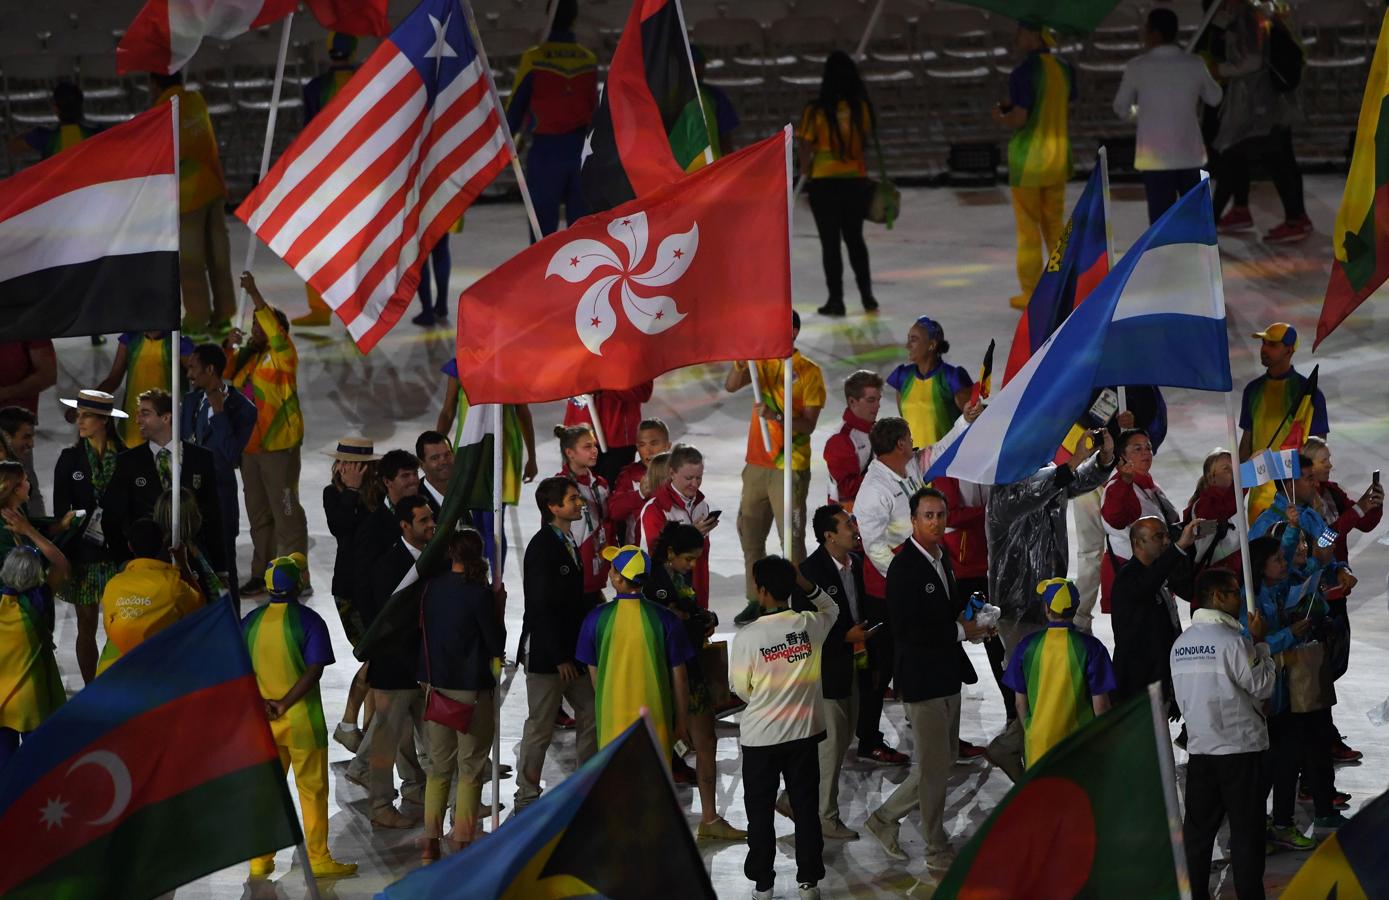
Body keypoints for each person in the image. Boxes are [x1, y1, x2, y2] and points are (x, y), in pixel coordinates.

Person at [866, 488, 989, 871]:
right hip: (923, 680)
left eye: (940, 515)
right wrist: (960, 631)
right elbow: (906, 630)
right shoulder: (905, 568)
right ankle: (936, 846)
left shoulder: (941, 557)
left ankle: (884, 818)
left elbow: (945, 611)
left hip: (946, 674)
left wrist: (973, 619)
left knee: (942, 760)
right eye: (928, 516)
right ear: (914, 520)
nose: (936, 522)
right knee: (934, 768)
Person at [984, 428, 1113, 781]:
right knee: (1036, 691)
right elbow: (1039, 490)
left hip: (1051, 604)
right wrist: (1074, 459)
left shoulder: (1051, 479)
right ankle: (1020, 752)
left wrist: (1104, 458)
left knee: (1052, 688)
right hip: (1018, 611)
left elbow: (1077, 480)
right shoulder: (1004, 495)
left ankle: (1024, 753)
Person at [242, 554, 357, 879]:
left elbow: (239, 669)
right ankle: (318, 859)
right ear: (298, 584)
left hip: (263, 723)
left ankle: (260, 859)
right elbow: (314, 670)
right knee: (312, 790)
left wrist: (265, 703)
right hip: (303, 721)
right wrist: (284, 703)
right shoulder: (309, 621)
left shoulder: (250, 622)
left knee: (268, 792)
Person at [731, 555, 839, 900]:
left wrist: (766, 698)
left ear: (761, 591)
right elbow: (832, 607)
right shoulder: (810, 624)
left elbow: (740, 688)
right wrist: (805, 583)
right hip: (804, 735)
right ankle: (809, 882)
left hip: (761, 738)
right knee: (805, 809)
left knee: (759, 814)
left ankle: (763, 885)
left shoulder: (748, 637)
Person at [1171, 567, 1276, 900]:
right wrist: (1260, 645)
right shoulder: (1234, 643)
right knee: (1246, 834)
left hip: (1201, 752)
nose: (1240, 599)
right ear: (1217, 597)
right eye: (1233, 592)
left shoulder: (1181, 644)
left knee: (1197, 835)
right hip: (1240, 751)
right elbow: (1263, 685)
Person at [645, 522, 744, 840]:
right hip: (664, 674)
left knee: (706, 742)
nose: (692, 565)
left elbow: (687, 613)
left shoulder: (678, 576)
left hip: (692, 669)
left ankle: (710, 817)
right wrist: (688, 620)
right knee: (660, 747)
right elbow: (664, 624)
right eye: (688, 559)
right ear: (671, 552)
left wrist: (704, 618)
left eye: (696, 560)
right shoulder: (651, 580)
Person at [726, 312, 825, 625]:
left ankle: (797, 600)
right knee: (750, 536)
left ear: (793, 331)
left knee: (791, 540)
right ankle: (755, 600)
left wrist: (776, 416)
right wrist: (741, 361)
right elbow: (730, 386)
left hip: (790, 467)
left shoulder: (809, 371)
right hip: (756, 464)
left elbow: (808, 425)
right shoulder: (760, 363)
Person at [1248, 526, 1343, 841]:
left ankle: (1282, 823)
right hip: (1266, 696)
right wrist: (1290, 633)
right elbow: (1254, 646)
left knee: (1288, 759)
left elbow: (1301, 555)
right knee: (1268, 766)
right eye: (1277, 559)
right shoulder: (1252, 600)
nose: (1285, 562)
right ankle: (1254, 827)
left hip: (1285, 690)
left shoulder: (1279, 588)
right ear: (1261, 566)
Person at [417, 529, 505, 859]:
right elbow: (495, 644)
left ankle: (430, 841)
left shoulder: (431, 588)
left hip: (436, 689)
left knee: (438, 769)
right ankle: (463, 840)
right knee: (470, 770)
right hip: (471, 693)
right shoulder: (478, 595)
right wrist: (499, 609)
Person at [516, 477, 599, 810]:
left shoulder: (567, 541)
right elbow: (540, 607)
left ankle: (586, 784)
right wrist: (560, 656)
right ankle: (526, 796)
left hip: (571, 654)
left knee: (591, 711)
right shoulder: (542, 548)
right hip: (548, 657)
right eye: (573, 499)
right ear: (553, 507)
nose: (580, 504)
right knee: (540, 725)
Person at [1301, 435, 1382, 764]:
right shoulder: (1301, 504)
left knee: (1335, 664)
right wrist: (1359, 508)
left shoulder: (1331, 492)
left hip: (1338, 587)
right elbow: (1325, 537)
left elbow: (1362, 523)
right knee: (1322, 669)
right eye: (1324, 460)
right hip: (1316, 593)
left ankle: (1320, 732)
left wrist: (1374, 505)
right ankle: (1320, 736)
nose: (1330, 465)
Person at [227, 271, 308, 595]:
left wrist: (254, 292)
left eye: (261, 324)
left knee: (286, 516)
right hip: (250, 450)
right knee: (259, 517)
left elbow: (273, 329)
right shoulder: (249, 360)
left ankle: (296, 578)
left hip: (278, 448)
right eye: (254, 324)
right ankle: (262, 575)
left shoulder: (283, 357)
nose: (256, 328)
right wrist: (230, 348)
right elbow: (223, 380)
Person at [362, 495, 438, 828]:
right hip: (394, 670)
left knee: (433, 740)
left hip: (425, 668)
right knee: (386, 743)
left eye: (431, 517)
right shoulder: (388, 566)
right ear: (405, 526)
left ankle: (420, 791)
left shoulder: (435, 559)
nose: (432, 524)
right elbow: (388, 623)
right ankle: (380, 806)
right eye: (424, 520)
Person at [796, 504, 869, 839]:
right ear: (829, 536)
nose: (854, 528)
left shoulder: (856, 564)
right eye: (847, 524)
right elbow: (804, 626)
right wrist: (843, 637)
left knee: (844, 738)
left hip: (853, 663)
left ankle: (793, 798)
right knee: (832, 745)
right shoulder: (809, 573)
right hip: (824, 670)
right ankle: (825, 817)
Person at [577, 545, 692, 756]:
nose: (609, 572)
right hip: (656, 722)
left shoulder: (595, 619)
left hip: (612, 723)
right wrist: (682, 724)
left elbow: (595, 679)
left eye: (612, 568)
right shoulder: (666, 620)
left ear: (619, 579)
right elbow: (681, 678)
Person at [1209, 0, 1309, 243]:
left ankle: (1294, 219)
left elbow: (1253, 60)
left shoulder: (1248, 17)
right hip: (1265, 102)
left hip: (1260, 103)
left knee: (1264, 157)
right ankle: (1293, 217)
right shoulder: (1257, 15)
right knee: (1277, 157)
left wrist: (1220, 70)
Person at [1112, 7, 1224, 222]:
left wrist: (1139, 113)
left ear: (1154, 33)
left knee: (1161, 225)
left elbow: (1121, 108)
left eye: (1146, 30)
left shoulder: (1137, 67)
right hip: (1191, 155)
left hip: (1154, 160)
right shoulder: (1194, 63)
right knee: (1194, 223)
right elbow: (1215, 97)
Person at [993, 20, 1075, 309]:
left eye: (1021, 32)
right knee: (1055, 226)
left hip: (1028, 160)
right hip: (1058, 156)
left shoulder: (1023, 71)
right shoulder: (1065, 68)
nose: (1016, 37)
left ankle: (1031, 293)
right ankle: (1064, 287)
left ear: (1035, 37)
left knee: (1028, 229)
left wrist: (1001, 117)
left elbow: (1020, 118)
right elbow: (1062, 102)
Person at [103, 389, 224, 576]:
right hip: (147, 565)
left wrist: (221, 568)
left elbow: (214, 517)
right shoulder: (129, 462)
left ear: (166, 418)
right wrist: (123, 561)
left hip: (195, 564)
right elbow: (111, 518)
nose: (138, 420)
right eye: (138, 414)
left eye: (145, 414)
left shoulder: (201, 458)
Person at [151, 71, 235, 337]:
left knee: (191, 261)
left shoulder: (161, 111)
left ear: (154, 84)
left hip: (188, 195)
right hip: (213, 186)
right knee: (218, 254)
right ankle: (223, 316)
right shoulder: (196, 100)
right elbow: (206, 142)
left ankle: (197, 319)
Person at [52, 390, 128, 684]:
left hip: (118, 555)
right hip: (83, 554)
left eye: (86, 416)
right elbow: (61, 511)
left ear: (104, 420)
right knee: (86, 626)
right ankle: (91, 688)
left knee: (120, 626)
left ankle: (118, 684)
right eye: (78, 415)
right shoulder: (69, 459)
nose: (79, 421)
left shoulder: (126, 457)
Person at [1001, 578, 1115, 768]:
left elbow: (1019, 703)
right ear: (1076, 608)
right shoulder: (1092, 648)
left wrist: (1030, 730)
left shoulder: (1027, 646)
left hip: (1039, 743)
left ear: (1047, 608)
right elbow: (1101, 705)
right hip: (1079, 746)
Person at [797, 51, 877, 317]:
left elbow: (805, 145)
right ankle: (867, 296)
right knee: (855, 240)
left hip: (823, 183)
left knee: (830, 244)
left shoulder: (814, 111)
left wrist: (804, 172)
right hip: (854, 181)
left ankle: (836, 300)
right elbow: (864, 140)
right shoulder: (861, 109)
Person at [508, 0, 598, 236]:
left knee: (542, 235)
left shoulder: (533, 58)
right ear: (575, 19)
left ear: (548, 17)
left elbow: (515, 109)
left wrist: (507, 143)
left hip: (546, 154)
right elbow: (594, 109)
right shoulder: (588, 59)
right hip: (581, 152)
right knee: (581, 234)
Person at [295, 33, 362, 327]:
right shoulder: (369, 83)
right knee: (357, 246)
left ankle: (320, 309)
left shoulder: (315, 88)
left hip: (325, 178)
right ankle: (357, 311)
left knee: (317, 244)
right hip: (361, 177)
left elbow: (308, 136)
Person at [183, 342, 256, 602]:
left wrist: (218, 413)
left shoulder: (244, 409)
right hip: (189, 497)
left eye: (193, 368)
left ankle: (231, 622)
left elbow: (230, 454)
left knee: (225, 568)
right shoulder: (189, 402)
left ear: (210, 369)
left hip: (220, 499)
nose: (189, 374)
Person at [322, 437, 381, 752]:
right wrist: (353, 490)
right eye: (342, 462)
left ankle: (368, 729)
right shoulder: (333, 494)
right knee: (375, 656)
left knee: (378, 657)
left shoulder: (380, 493)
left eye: (353, 463)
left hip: (378, 587)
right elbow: (340, 526)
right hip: (349, 590)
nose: (345, 468)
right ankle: (349, 723)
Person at [0, 511, 69, 769]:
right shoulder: (39, 600)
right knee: (35, 767)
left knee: (5, 768)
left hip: (1, 702)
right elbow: (60, 563)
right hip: (33, 700)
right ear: (37, 573)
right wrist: (28, 530)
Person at [1239, 322, 1327, 521]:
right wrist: (1237, 487)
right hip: (1259, 497)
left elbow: (1318, 450)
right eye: (1263, 343)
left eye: (1272, 344)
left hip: (1296, 497)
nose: (1264, 349)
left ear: (1289, 350)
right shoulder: (1252, 390)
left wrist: (1315, 493)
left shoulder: (1309, 394)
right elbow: (1246, 443)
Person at [1111, 516, 1200, 714]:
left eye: (1167, 536)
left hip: (1160, 679)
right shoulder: (1128, 577)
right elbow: (1146, 585)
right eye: (1158, 537)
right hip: (1138, 686)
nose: (1166, 541)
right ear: (1137, 543)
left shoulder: (1158, 575)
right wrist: (1179, 547)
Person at [95, 518, 203, 676]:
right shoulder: (174, 585)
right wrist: (183, 564)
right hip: (160, 672)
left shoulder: (113, 584)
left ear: (130, 546)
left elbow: (109, 627)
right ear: (162, 544)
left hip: (113, 672)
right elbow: (200, 606)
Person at [1099, 428, 1180, 611]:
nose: (1146, 453)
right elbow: (1116, 519)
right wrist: (1125, 482)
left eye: (1148, 447)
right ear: (1122, 456)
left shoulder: (1150, 484)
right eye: (1137, 449)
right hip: (1129, 572)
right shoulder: (1117, 487)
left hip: (1153, 571)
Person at [638, 444, 718, 610]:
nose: (695, 484)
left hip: (697, 587)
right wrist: (692, 534)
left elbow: (702, 557)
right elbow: (657, 553)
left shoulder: (702, 505)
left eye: (699, 478)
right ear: (672, 473)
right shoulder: (656, 508)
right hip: (665, 595)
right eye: (689, 478)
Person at [94, 331, 195, 446]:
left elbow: (198, 379)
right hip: (132, 429)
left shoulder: (179, 344)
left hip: (168, 432)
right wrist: (89, 402)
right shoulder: (130, 340)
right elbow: (113, 379)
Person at [886, 317, 973, 449]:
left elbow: (974, 419)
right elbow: (905, 421)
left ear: (931, 345)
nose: (907, 345)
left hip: (944, 458)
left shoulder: (952, 377)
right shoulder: (902, 377)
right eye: (908, 339)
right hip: (913, 458)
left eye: (913, 339)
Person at [553, 425, 612, 601]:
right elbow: (551, 530)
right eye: (587, 447)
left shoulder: (601, 484)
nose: (594, 450)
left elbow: (608, 522)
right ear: (570, 453)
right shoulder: (559, 486)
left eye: (594, 445)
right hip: (572, 574)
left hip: (597, 567)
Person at [561, 382, 654, 488]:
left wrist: (602, 387)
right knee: (573, 490)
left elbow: (642, 391)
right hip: (577, 433)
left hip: (616, 438)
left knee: (613, 491)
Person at [0, 340, 56, 514]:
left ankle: (35, 527)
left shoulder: (30, 327)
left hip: (14, 420)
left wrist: (5, 393)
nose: (32, 444)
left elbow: (47, 374)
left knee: (22, 482)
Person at [823, 371, 881, 510]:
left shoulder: (880, 430)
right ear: (852, 402)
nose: (877, 405)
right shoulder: (840, 440)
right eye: (871, 400)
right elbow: (846, 491)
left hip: (875, 512)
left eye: (878, 400)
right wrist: (887, 472)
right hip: (849, 517)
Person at [609, 418, 671, 543]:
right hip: (638, 551)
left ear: (667, 446)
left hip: (673, 550)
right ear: (637, 447)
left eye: (654, 444)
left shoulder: (680, 472)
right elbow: (614, 512)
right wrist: (640, 494)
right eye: (642, 445)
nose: (648, 451)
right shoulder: (628, 475)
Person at [415, 430, 453, 517]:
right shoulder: (414, 499)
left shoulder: (466, 488)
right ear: (421, 464)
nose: (444, 461)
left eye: (447, 454)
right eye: (435, 458)